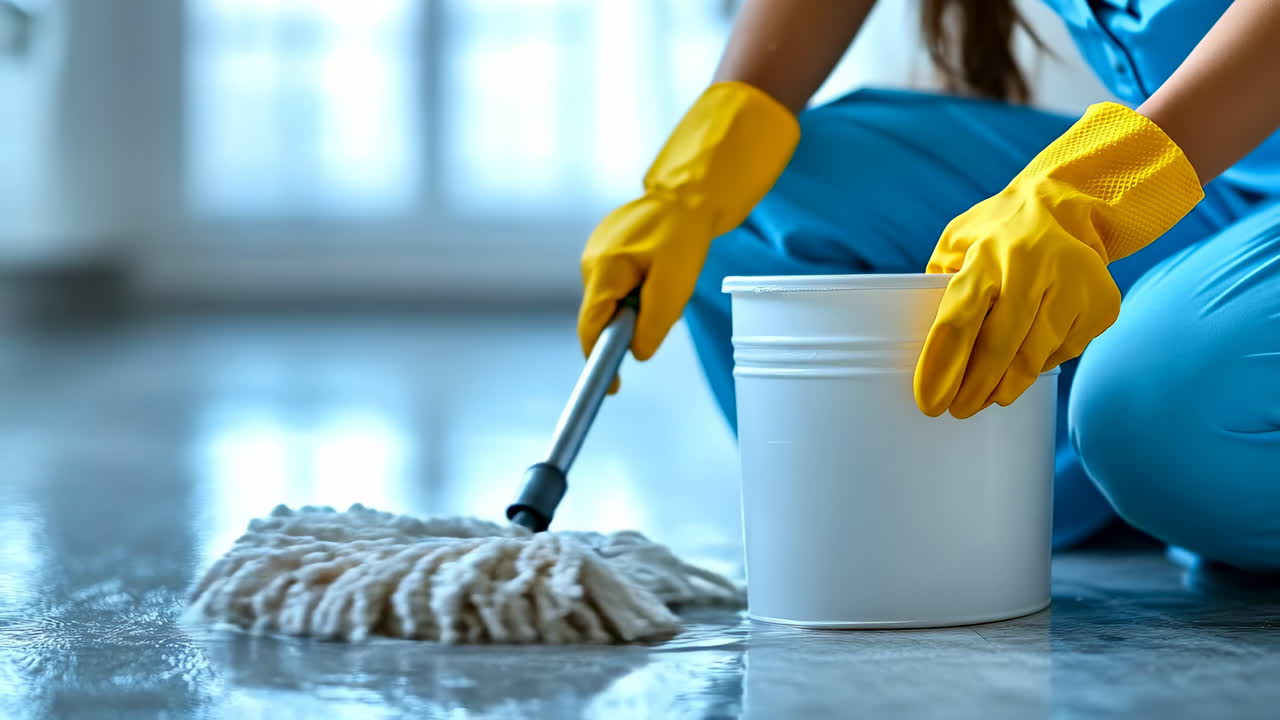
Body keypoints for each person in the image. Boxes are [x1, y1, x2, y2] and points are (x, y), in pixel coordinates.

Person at [575, 0, 1280, 569]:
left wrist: (1097, 190)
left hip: (1194, 175)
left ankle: (1173, 463)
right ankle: (1130, 487)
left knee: (1151, 403)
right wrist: (701, 171)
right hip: (1214, 186)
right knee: (746, 215)